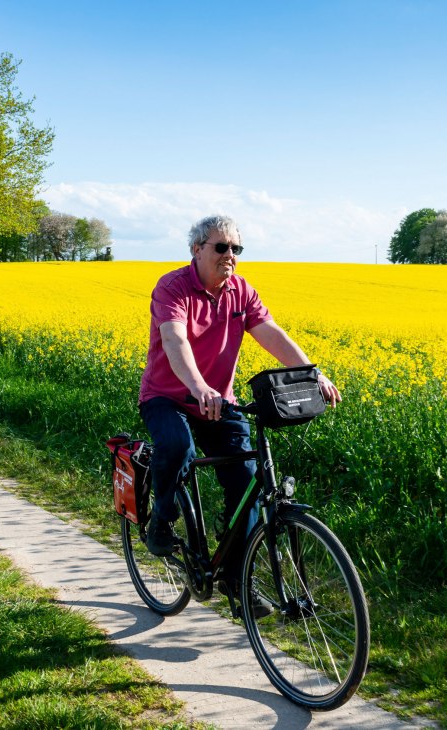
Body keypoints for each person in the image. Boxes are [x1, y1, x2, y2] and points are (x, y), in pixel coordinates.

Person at [138, 215, 341, 614]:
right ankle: (161, 521)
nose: (230, 256)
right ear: (197, 250)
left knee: (248, 483)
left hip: (219, 401)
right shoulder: (172, 287)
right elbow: (174, 339)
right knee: (177, 446)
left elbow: (271, 334)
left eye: (236, 249)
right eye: (221, 247)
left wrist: (312, 375)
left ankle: (236, 578)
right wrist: (197, 387)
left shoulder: (241, 291)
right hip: (168, 396)